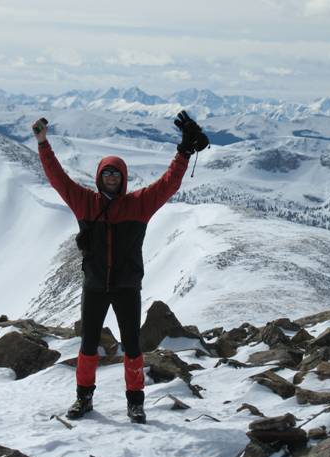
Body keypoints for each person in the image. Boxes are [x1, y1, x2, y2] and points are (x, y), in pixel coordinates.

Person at [32, 111, 208, 424]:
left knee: (132, 347)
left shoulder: (138, 204)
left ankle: (135, 403)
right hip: (96, 286)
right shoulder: (84, 202)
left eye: (116, 174)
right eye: (106, 173)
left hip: (127, 286)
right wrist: (43, 143)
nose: (111, 178)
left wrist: (183, 153)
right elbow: (57, 178)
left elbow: (167, 185)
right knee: (87, 346)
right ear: (99, 177)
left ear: (123, 178)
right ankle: (83, 399)